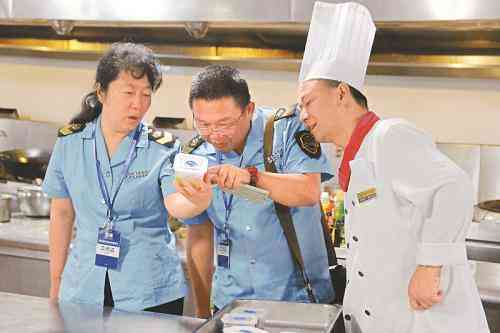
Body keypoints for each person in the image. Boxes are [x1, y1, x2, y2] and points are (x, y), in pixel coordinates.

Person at [297, 2, 489, 332]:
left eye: (308, 102)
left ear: (341, 93)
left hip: (426, 321)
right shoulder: (357, 156)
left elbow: (454, 188)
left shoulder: (389, 136)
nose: (303, 115)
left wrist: (429, 267)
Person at [42, 42, 210, 314]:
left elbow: (176, 203)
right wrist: (55, 283)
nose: (138, 104)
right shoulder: (70, 142)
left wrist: (198, 199)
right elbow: (61, 214)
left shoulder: (162, 148)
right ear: (102, 92)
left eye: (146, 94)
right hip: (82, 287)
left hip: (150, 290)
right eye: (129, 93)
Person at [167, 65, 334, 318]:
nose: (215, 134)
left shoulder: (286, 130)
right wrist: (202, 312)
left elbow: (308, 192)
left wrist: (253, 176)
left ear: (249, 110)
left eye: (224, 123)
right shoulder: (196, 154)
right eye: (204, 124)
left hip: (298, 301)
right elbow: (199, 233)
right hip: (231, 305)